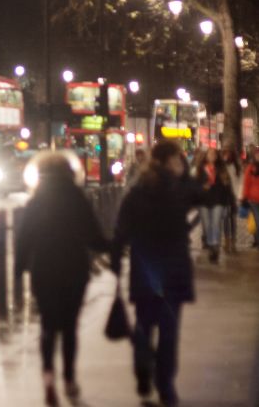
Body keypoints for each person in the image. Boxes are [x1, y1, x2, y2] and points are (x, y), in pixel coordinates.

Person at [111, 140, 202, 407]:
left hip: (145, 270)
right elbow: (203, 198)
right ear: (169, 161)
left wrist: (116, 262)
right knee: (168, 331)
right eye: (177, 159)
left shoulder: (136, 191)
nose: (181, 163)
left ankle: (143, 368)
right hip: (173, 271)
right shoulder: (179, 190)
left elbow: (121, 230)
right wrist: (187, 178)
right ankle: (165, 386)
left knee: (144, 324)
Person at [16, 152, 108, 406]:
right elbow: (93, 235)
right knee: (69, 326)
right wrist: (111, 248)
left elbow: (24, 238)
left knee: (48, 325)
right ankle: (69, 378)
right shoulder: (77, 198)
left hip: (44, 269)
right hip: (74, 268)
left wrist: (19, 269)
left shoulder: (36, 201)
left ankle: (48, 377)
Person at [195, 147, 232, 262]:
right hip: (204, 202)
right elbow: (195, 185)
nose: (212, 156)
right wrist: (202, 187)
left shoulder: (221, 169)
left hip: (218, 200)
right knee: (207, 226)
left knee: (215, 224)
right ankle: (211, 245)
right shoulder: (200, 169)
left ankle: (215, 247)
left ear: (217, 157)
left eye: (214, 154)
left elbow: (227, 186)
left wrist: (228, 202)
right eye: (210, 154)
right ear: (206, 156)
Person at [221, 146, 242, 253]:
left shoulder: (236, 166)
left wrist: (239, 195)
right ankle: (227, 241)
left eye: (229, 154)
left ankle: (233, 241)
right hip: (224, 195)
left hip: (233, 195)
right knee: (225, 218)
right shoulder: (222, 166)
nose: (227, 156)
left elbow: (239, 182)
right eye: (225, 154)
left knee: (233, 219)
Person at [241, 147, 259, 249]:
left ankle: (256, 241)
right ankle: (257, 240)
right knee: (257, 220)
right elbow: (246, 183)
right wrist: (244, 197)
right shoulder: (251, 168)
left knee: (256, 221)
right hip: (253, 200)